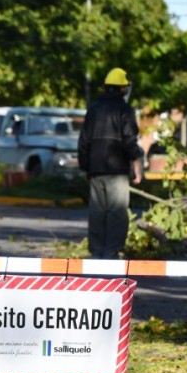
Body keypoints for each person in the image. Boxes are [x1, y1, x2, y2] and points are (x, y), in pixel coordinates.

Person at [78, 68, 143, 259]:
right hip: (117, 170)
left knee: (97, 211)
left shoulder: (93, 109)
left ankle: (97, 251)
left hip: (96, 169)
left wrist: (85, 167)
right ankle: (112, 251)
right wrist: (137, 168)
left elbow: (83, 142)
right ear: (122, 88)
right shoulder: (125, 110)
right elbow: (130, 141)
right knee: (117, 212)